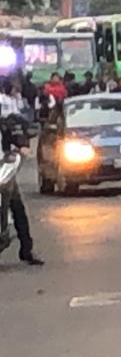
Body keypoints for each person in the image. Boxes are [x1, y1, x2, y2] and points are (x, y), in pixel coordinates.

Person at [2, 84, 43, 266]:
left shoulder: (5, 123)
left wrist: (21, 146)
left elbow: (16, 129)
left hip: (3, 170)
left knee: (17, 207)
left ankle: (26, 250)